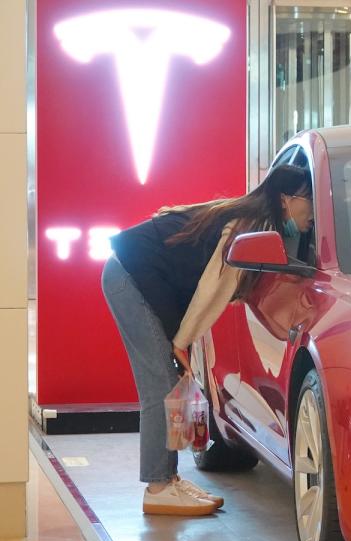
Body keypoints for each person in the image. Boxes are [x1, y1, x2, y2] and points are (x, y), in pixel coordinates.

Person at [101, 165, 313, 517]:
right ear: (286, 199)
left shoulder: (249, 218)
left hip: (143, 279)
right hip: (129, 277)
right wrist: (181, 341)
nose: (313, 214)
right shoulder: (247, 228)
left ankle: (168, 479)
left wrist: (182, 340)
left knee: (166, 384)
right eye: (309, 201)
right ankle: (158, 486)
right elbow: (211, 292)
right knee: (160, 387)